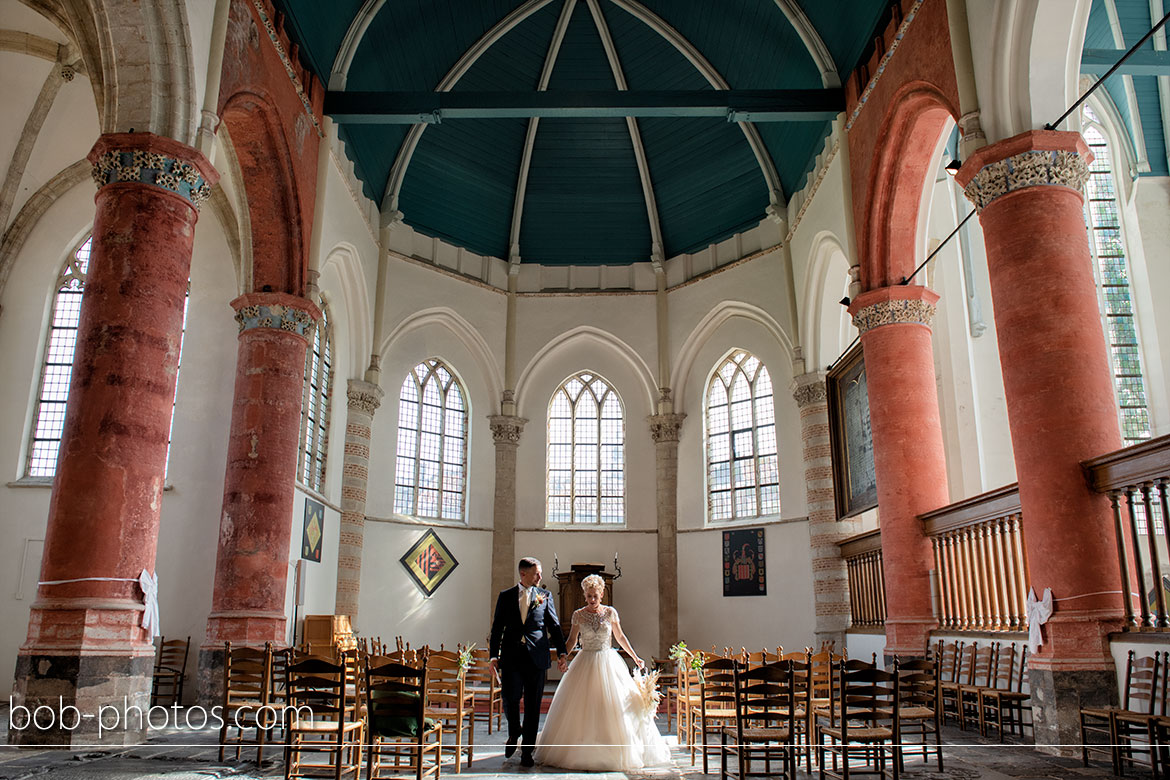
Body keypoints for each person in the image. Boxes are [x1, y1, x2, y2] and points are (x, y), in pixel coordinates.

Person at [534, 574, 671, 771]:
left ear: (601, 594)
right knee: (583, 706)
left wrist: (635, 657)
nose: (592, 600)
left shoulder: (610, 613)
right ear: (584, 595)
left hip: (609, 661)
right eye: (589, 596)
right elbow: (572, 640)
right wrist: (563, 656)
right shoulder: (578, 615)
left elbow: (620, 637)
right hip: (585, 661)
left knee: (615, 705)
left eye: (595, 596)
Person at [489, 557, 567, 767]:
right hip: (512, 657)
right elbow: (497, 628)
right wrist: (493, 656)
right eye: (536, 573)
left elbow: (554, 626)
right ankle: (514, 732)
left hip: (537, 658)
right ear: (523, 574)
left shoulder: (545, 596)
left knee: (533, 706)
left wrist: (562, 653)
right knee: (510, 698)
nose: (540, 577)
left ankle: (527, 752)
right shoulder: (505, 597)